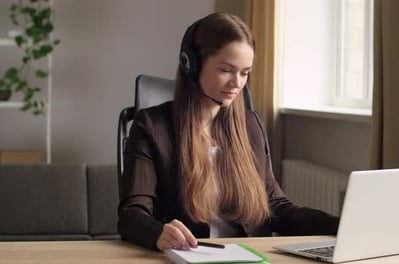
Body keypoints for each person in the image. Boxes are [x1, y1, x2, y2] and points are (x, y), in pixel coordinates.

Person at [117, 12, 339, 251]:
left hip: (252, 255)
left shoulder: (250, 124)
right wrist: (159, 233)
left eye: (245, 73)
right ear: (190, 64)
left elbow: (276, 207)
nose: (237, 83)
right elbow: (132, 213)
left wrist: (339, 224)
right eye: (226, 70)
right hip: (191, 255)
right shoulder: (152, 126)